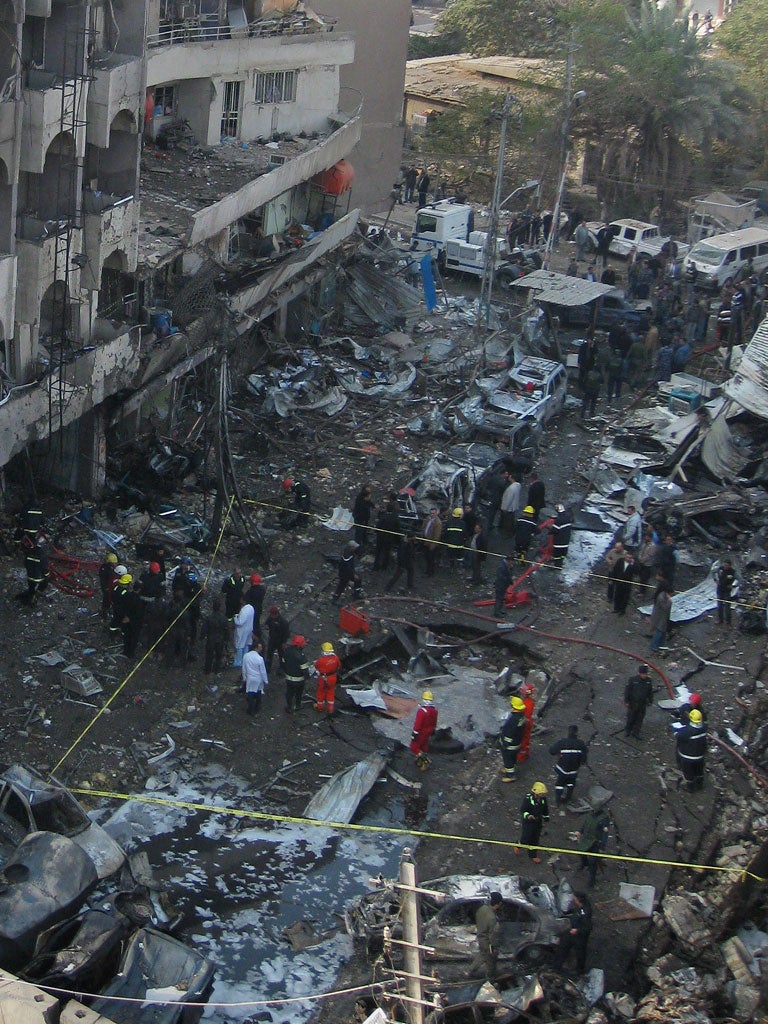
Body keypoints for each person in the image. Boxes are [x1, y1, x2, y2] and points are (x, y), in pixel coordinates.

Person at [549, 725, 589, 807]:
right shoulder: (581, 744)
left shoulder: (562, 742)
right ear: (577, 733)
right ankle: (568, 797)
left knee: (559, 784)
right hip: (573, 770)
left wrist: (559, 753)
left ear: (568, 732)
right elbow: (584, 758)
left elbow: (551, 751)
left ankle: (558, 800)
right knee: (571, 783)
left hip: (562, 769)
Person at [553, 893, 592, 973]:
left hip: (580, 937)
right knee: (563, 946)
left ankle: (580, 970)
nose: (573, 900)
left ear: (579, 901)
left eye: (575, 899)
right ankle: (557, 966)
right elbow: (575, 911)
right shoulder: (579, 907)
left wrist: (577, 930)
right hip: (572, 932)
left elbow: (588, 928)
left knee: (580, 953)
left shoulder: (585, 912)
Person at [469, 892, 502, 979]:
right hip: (488, 943)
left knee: (482, 955)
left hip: (481, 938)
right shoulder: (492, 918)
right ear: (498, 904)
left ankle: (471, 970)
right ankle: (490, 979)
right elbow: (493, 935)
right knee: (491, 961)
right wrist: (494, 947)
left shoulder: (482, 909)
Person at [577, 804, 610, 887]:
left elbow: (605, 834)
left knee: (593, 862)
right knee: (581, 852)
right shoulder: (590, 814)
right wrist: (580, 832)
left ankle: (592, 880)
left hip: (595, 842)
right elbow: (586, 823)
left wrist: (602, 847)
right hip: (586, 839)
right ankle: (584, 863)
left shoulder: (604, 818)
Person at [517, 783, 549, 863]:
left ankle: (533, 855)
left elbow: (545, 809)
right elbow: (523, 810)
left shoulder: (543, 800)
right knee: (526, 837)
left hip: (538, 822)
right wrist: (528, 816)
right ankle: (518, 845)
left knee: (535, 839)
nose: (544, 794)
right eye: (542, 793)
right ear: (537, 793)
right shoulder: (528, 799)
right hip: (528, 822)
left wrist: (546, 817)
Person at [676, 708, 707, 791]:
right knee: (699, 771)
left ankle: (690, 788)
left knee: (688, 773)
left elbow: (679, 737)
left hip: (687, 756)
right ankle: (700, 785)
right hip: (700, 755)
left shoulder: (688, 731)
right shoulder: (704, 727)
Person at [500, 696, 527, 783]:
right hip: (517, 742)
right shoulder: (522, 716)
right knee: (513, 757)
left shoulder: (514, 719)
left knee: (507, 759)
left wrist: (505, 743)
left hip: (510, 745)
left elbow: (509, 732)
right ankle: (509, 768)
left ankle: (510, 775)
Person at [410, 690, 438, 770]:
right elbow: (434, 723)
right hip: (428, 732)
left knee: (414, 747)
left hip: (420, 732)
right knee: (423, 746)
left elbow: (417, 724)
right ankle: (420, 759)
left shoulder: (422, 711)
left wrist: (414, 734)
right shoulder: (434, 711)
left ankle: (424, 760)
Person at [624, 663, 653, 739]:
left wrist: (650, 701)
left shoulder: (648, 681)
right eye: (643, 674)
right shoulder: (633, 680)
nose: (644, 676)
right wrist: (626, 701)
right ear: (640, 673)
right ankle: (628, 731)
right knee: (631, 717)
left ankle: (636, 732)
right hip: (633, 703)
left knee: (639, 719)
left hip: (642, 703)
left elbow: (650, 692)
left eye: (645, 674)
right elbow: (627, 691)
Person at [201, 598, 229, 674]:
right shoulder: (224, 618)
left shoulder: (209, 618)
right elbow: (226, 630)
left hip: (211, 639)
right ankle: (216, 669)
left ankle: (207, 670)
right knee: (218, 655)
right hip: (220, 639)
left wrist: (202, 637)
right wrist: (227, 639)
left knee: (209, 655)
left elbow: (204, 629)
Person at [373, 494, 401, 572]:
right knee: (387, 552)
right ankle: (384, 566)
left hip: (380, 537)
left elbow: (378, 526)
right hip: (389, 538)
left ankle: (376, 566)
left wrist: (376, 532)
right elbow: (397, 529)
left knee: (378, 552)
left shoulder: (383, 517)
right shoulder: (395, 518)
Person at [283, 635, 309, 713]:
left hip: (288, 678)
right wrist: (307, 678)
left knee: (289, 693)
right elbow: (305, 670)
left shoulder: (287, 651)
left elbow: (283, 663)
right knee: (298, 693)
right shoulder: (301, 656)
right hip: (299, 680)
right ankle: (298, 705)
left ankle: (289, 707)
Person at [20, 536, 50, 606]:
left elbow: (26, 564)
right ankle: (36, 596)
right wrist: (47, 575)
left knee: (31, 586)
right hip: (39, 578)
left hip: (30, 576)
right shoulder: (41, 555)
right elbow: (44, 567)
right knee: (44, 584)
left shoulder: (28, 554)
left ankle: (30, 594)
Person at [120, 575, 145, 658]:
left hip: (125, 620)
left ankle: (126, 651)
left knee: (126, 637)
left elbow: (122, 607)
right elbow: (138, 614)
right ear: (140, 589)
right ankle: (130, 653)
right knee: (133, 638)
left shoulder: (127, 595)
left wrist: (125, 617)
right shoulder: (139, 601)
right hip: (134, 623)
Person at [314, 640, 341, 714]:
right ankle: (330, 708)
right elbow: (339, 666)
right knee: (331, 691)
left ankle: (320, 707)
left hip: (323, 678)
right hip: (332, 677)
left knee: (321, 692)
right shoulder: (335, 658)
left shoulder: (321, 660)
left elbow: (316, 666)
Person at [242, 641, 268, 716]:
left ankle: (250, 710)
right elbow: (263, 671)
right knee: (258, 692)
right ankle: (257, 707)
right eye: (260, 647)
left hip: (250, 678)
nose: (261, 649)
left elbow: (244, 668)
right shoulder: (260, 658)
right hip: (258, 679)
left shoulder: (246, 656)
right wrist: (265, 680)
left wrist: (244, 677)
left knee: (250, 693)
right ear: (256, 648)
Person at [264, 605, 290, 673]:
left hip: (280, 641)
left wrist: (284, 642)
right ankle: (267, 667)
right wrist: (267, 626)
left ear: (276, 614)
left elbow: (286, 633)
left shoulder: (283, 622)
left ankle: (282, 668)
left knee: (281, 655)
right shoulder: (270, 618)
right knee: (269, 654)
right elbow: (266, 623)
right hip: (272, 639)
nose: (271, 616)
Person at [649, 582, 673, 652]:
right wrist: (669, 601)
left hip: (663, 618)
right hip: (660, 618)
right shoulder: (661, 598)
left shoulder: (662, 596)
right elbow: (665, 608)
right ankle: (654, 646)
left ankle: (662, 646)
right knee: (659, 632)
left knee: (663, 633)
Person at [611, 549, 636, 615]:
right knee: (617, 596)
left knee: (625, 598)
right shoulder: (620, 561)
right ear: (625, 556)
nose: (628, 559)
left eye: (630, 558)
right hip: (619, 582)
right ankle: (616, 608)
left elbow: (637, 572)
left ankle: (622, 611)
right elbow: (615, 570)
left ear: (632, 558)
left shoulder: (633, 564)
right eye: (627, 557)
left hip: (627, 584)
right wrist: (612, 579)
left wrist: (632, 564)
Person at [232, 595, 255, 669]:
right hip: (249, 629)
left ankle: (238, 662)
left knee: (239, 646)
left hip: (242, 631)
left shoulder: (244, 610)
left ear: (244, 601)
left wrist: (235, 617)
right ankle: (245, 661)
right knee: (246, 645)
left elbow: (240, 622)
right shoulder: (251, 608)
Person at [517, 682, 536, 763]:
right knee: (527, 739)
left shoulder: (526, 703)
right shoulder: (531, 701)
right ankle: (526, 753)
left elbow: (525, 715)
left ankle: (521, 757)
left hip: (525, 723)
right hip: (528, 722)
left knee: (523, 740)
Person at [244, 572, 266, 639]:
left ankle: (254, 636)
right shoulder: (262, 589)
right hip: (259, 609)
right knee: (256, 622)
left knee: (252, 624)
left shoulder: (250, 591)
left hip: (251, 610)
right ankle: (257, 635)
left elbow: (244, 600)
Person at [352, 484, 375, 548]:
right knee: (359, 533)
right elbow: (362, 512)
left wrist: (373, 506)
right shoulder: (361, 503)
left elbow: (369, 502)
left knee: (364, 531)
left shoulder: (363, 498)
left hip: (364, 519)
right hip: (360, 519)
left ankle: (365, 541)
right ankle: (357, 547)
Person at [422, 508, 442, 577]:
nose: (431, 515)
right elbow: (423, 528)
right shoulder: (427, 519)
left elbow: (437, 535)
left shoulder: (438, 523)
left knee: (431, 559)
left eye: (433, 513)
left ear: (436, 514)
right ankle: (428, 570)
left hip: (431, 543)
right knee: (427, 557)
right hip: (425, 541)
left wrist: (433, 545)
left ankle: (430, 572)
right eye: (431, 513)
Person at [716, 558, 736, 628]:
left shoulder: (732, 571)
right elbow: (714, 573)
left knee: (727, 607)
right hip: (720, 589)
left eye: (727, 565)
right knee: (719, 606)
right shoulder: (721, 569)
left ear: (730, 566)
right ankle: (720, 619)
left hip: (727, 591)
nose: (725, 566)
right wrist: (716, 580)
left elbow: (737, 579)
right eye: (724, 565)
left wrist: (732, 585)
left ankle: (728, 623)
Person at [99, 552, 119, 620]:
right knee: (107, 600)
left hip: (107, 587)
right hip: (107, 588)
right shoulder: (107, 570)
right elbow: (106, 579)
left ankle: (106, 611)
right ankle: (105, 613)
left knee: (108, 600)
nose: (115, 564)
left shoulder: (105, 568)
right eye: (114, 563)